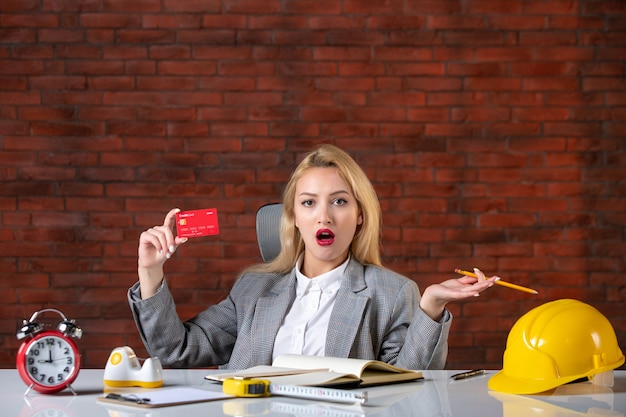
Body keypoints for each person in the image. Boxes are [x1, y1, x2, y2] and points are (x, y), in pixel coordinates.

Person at [129, 144, 498, 370]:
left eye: (339, 201)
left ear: (359, 216)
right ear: (294, 218)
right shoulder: (254, 288)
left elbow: (411, 385)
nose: (324, 216)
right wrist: (151, 271)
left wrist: (430, 306)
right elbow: (176, 350)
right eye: (309, 203)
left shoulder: (392, 292)